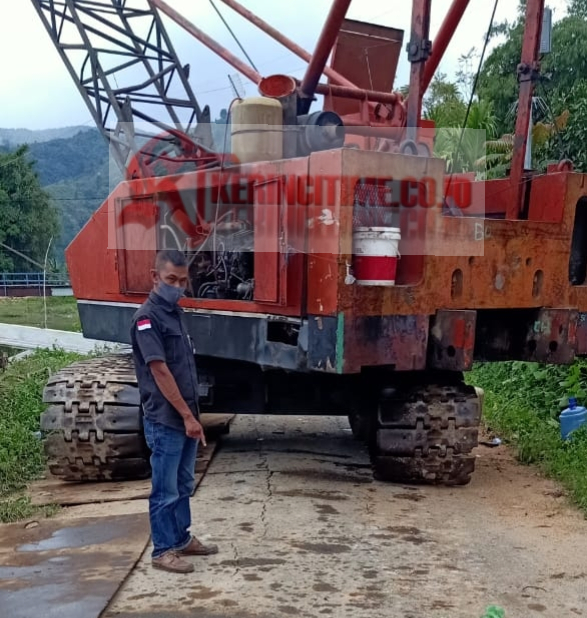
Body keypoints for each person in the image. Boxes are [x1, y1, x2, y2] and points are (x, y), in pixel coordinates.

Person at [130, 249, 218, 574]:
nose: (178, 286)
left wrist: (192, 415)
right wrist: (187, 417)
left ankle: (181, 539)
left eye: (182, 281)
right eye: (171, 280)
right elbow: (160, 371)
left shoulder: (174, 313)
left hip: (184, 416)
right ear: (155, 278)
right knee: (164, 489)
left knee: (182, 483)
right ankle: (162, 550)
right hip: (167, 419)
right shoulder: (147, 318)